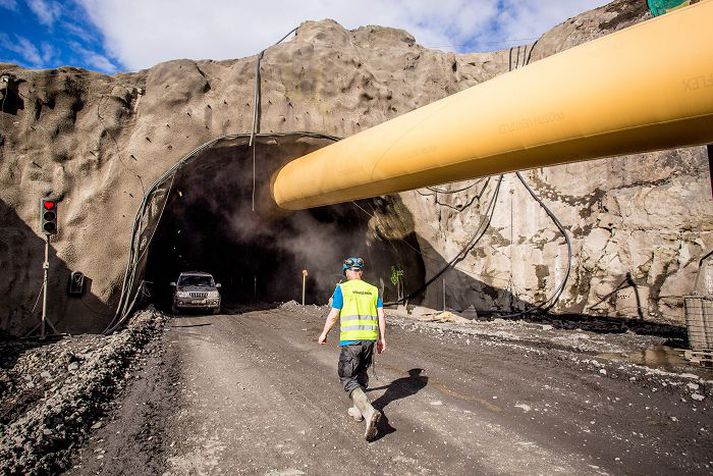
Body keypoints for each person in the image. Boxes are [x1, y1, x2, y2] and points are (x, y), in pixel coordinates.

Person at [318, 256, 386, 441]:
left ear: (347, 272)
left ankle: (369, 411)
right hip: (369, 341)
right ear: (361, 271)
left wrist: (324, 333)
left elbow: (333, 315)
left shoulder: (342, 288)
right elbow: (381, 316)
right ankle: (357, 411)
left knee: (347, 377)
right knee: (361, 373)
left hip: (351, 341)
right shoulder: (373, 290)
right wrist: (382, 338)